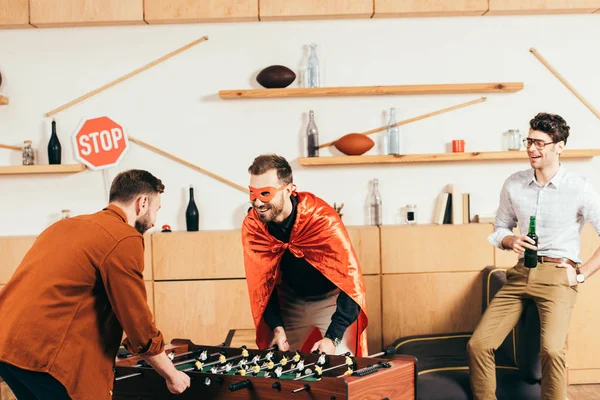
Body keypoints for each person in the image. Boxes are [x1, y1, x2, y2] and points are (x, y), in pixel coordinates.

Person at [0, 170, 190, 400]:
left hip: (8, 348)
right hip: (47, 359)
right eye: (156, 210)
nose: (155, 220)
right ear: (142, 203)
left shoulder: (62, 227)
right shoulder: (124, 237)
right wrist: (171, 374)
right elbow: (136, 321)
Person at [467, 113, 600, 399]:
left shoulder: (579, 187)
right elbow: (499, 227)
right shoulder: (514, 183)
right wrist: (510, 239)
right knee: (479, 344)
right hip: (519, 275)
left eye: (540, 142)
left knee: (552, 349)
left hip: (558, 276)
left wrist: (581, 273)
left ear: (559, 146)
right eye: (529, 141)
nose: (531, 148)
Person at [241, 154, 369, 356]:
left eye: (265, 193)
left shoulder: (321, 219)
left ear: (290, 190)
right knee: (279, 366)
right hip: (290, 301)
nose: (257, 202)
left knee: (343, 369)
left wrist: (333, 337)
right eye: (252, 193)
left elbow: (351, 282)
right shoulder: (254, 226)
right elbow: (261, 285)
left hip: (330, 301)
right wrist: (277, 327)